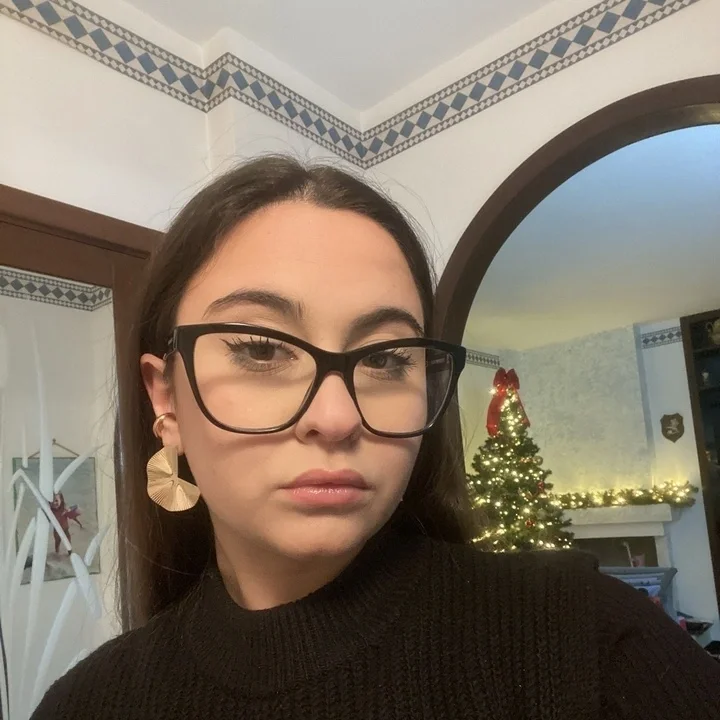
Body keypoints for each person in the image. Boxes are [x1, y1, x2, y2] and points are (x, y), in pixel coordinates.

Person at [33, 156, 720, 719]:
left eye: (388, 358)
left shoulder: (587, 641)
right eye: (261, 349)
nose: (337, 418)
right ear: (166, 399)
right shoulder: (88, 704)